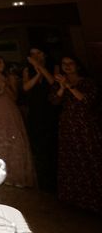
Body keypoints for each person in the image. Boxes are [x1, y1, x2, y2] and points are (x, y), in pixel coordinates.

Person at [50, 55, 102, 214]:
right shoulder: (61, 84)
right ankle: (75, 199)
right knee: (72, 158)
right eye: (64, 64)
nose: (67, 66)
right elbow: (54, 102)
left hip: (85, 125)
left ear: (77, 66)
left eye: (70, 63)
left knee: (91, 157)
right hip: (68, 125)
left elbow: (86, 101)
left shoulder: (87, 82)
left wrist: (69, 86)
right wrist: (61, 87)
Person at [0, 56, 35, 187]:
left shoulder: (9, 77)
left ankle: (16, 175)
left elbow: (14, 97)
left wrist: (5, 86)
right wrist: (0, 90)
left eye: (2, 62)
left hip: (9, 108)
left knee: (13, 138)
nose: (1, 64)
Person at [23, 47, 60, 191]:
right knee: (38, 143)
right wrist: (37, 74)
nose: (35, 56)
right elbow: (26, 87)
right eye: (32, 53)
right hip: (36, 109)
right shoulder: (28, 70)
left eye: (38, 52)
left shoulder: (54, 67)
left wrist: (40, 68)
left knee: (53, 142)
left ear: (44, 54)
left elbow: (52, 82)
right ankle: (44, 182)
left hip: (50, 108)